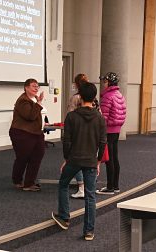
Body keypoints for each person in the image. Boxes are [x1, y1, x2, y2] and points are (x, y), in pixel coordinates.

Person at [52, 82, 107, 241]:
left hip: (74, 159)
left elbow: (67, 141)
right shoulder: (100, 118)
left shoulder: (71, 116)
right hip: (90, 161)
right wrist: (98, 162)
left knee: (63, 184)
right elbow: (103, 142)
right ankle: (89, 231)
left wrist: (66, 159)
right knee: (90, 196)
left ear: (80, 97)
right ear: (94, 97)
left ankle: (64, 217)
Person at [9, 78, 45, 192]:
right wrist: (39, 103)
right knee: (23, 158)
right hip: (22, 133)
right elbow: (30, 116)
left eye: (37, 86)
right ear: (26, 87)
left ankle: (29, 183)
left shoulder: (34, 99)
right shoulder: (23, 100)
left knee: (38, 155)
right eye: (34, 86)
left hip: (35, 133)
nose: (36, 88)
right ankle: (17, 180)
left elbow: (37, 115)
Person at [96, 72, 126, 195]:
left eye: (104, 81)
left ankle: (110, 187)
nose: (103, 83)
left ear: (109, 82)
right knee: (114, 157)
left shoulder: (107, 96)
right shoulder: (119, 94)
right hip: (116, 130)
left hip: (108, 131)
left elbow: (103, 117)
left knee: (109, 159)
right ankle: (115, 186)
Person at [67, 73, 88, 199]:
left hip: (78, 133)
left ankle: (81, 187)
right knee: (88, 160)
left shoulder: (76, 98)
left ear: (76, 84)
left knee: (78, 161)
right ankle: (87, 186)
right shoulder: (92, 98)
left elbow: (70, 115)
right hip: (90, 134)